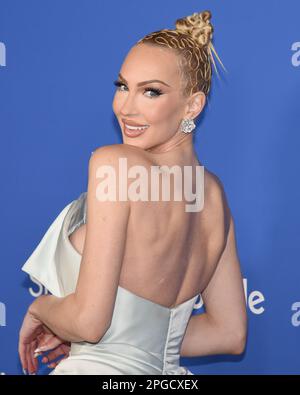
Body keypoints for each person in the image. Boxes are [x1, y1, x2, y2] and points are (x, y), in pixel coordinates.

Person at [19, 10, 247, 375]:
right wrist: (135, 343)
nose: (125, 107)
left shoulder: (116, 164)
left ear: (193, 105)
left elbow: (89, 322)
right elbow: (229, 333)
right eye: (122, 85)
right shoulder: (212, 195)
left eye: (151, 92)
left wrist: (40, 311)